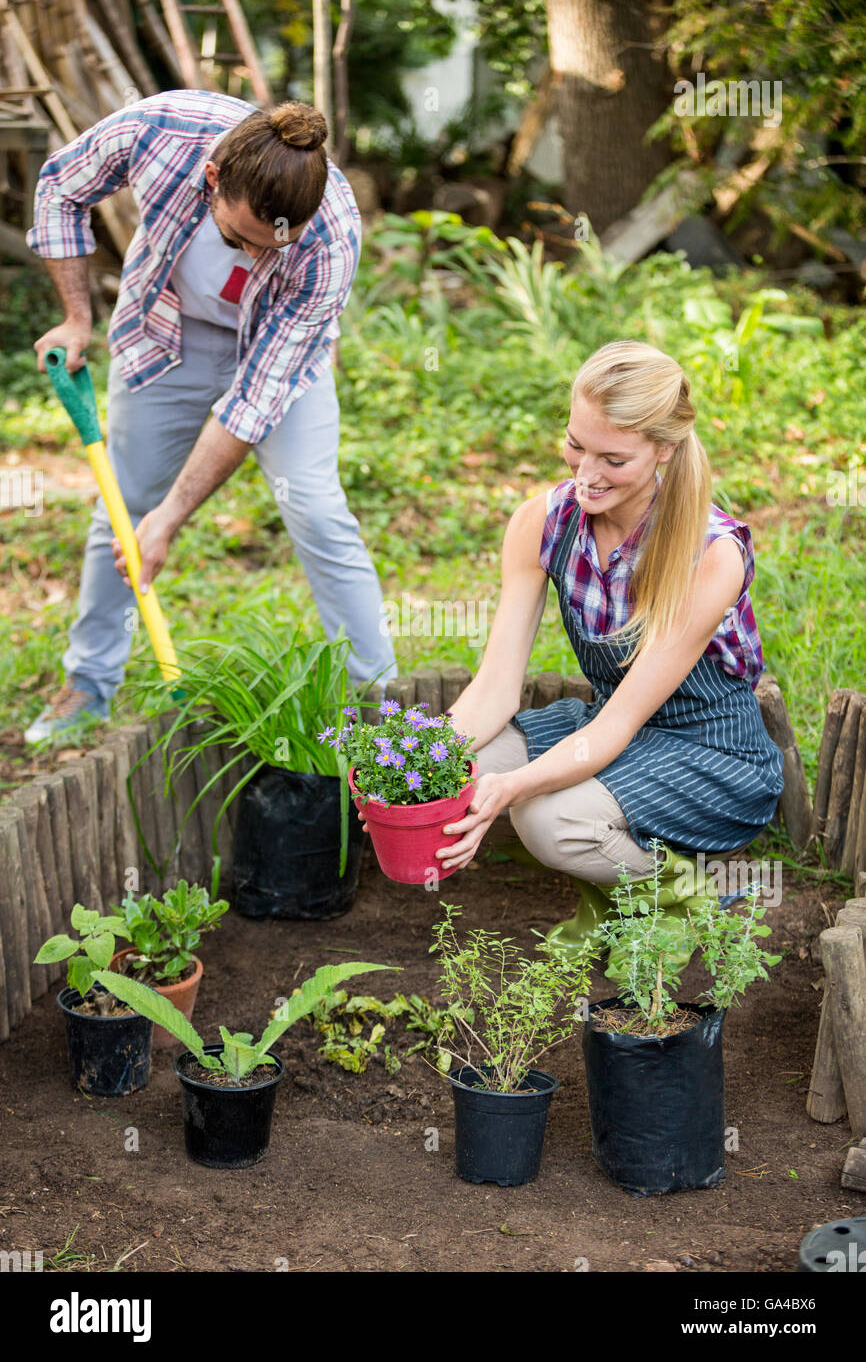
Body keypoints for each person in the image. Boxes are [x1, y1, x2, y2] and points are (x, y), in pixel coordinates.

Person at [24, 90, 396, 743]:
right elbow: (60, 187)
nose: (254, 257)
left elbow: (254, 401)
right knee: (125, 502)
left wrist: (175, 518)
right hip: (168, 333)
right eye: (239, 239)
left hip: (279, 354)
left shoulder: (332, 238)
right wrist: (77, 316)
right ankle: (87, 683)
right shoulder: (162, 129)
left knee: (313, 503)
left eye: (273, 247)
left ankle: (375, 701)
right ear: (213, 178)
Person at [438, 339, 784, 955]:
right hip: (608, 721)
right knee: (469, 765)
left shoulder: (712, 553)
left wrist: (513, 790)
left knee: (544, 819)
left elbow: (623, 723)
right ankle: (618, 887)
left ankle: (688, 893)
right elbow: (495, 687)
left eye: (613, 459)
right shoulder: (541, 522)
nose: (585, 474)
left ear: (665, 451)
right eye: (576, 444)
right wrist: (417, 766)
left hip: (707, 749)